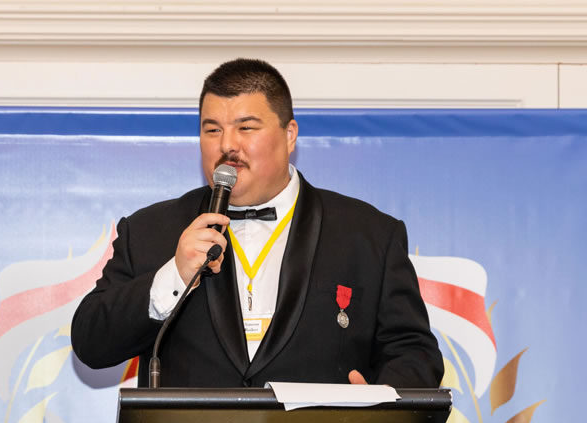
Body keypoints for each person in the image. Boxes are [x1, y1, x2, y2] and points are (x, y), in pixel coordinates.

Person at [71, 58, 443, 388]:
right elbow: (91, 343)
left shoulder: (368, 235)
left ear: (290, 135)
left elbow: (414, 352)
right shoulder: (150, 231)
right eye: (212, 130)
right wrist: (175, 276)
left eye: (246, 128)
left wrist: (380, 406)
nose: (227, 145)